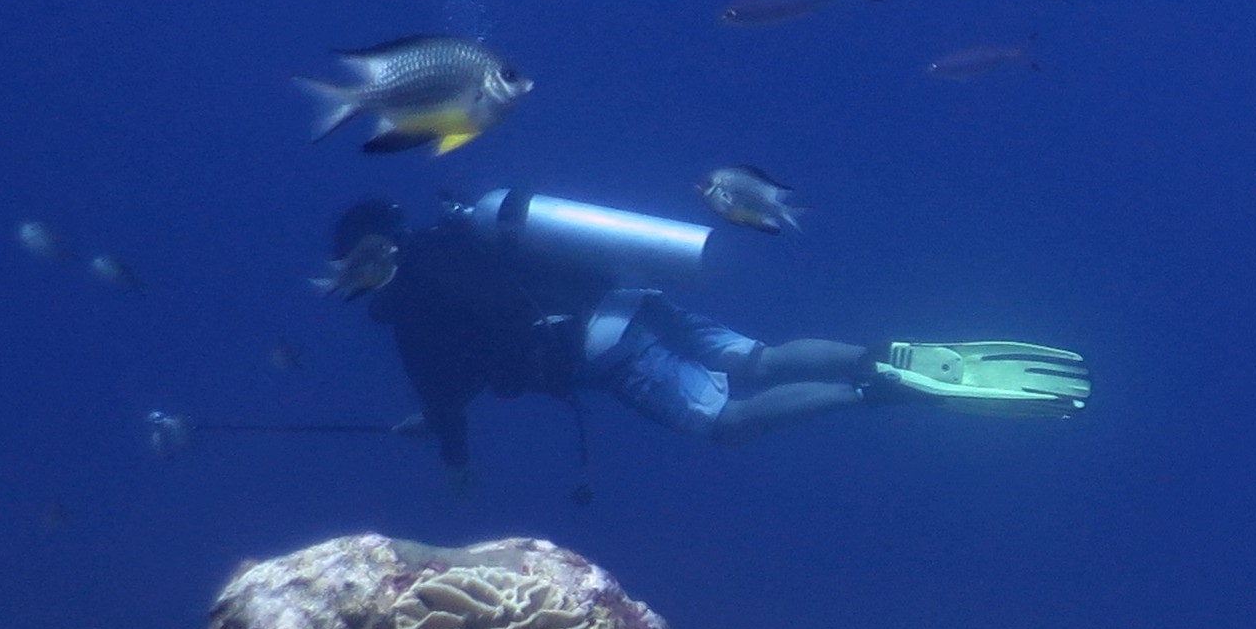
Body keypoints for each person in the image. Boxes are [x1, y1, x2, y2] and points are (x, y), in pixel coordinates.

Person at [333, 187, 1085, 474]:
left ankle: (875, 389)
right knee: (758, 359)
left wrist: (449, 448)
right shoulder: (463, 233)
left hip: (606, 352)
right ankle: (878, 353)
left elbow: (445, 388)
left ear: (368, 257)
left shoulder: (410, 303)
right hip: (635, 297)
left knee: (726, 423)